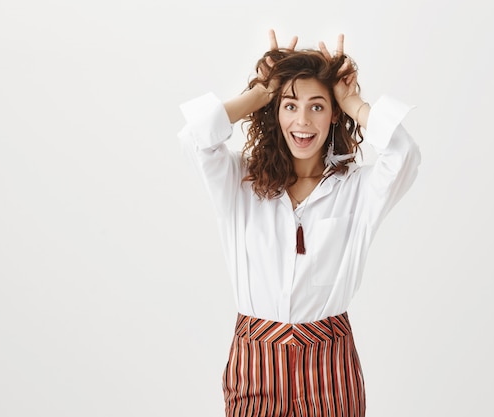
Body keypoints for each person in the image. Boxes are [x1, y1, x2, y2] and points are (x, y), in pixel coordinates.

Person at [178, 29, 421, 417]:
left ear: (334, 114)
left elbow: (403, 153)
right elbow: (195, 137)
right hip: (255, 364)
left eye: (318, 106)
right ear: (275, 113)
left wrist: (353, 100)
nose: (303, 120)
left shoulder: (356, 189)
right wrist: (259, 93)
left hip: (330, 365)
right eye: (290, 105)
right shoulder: (240, 181)